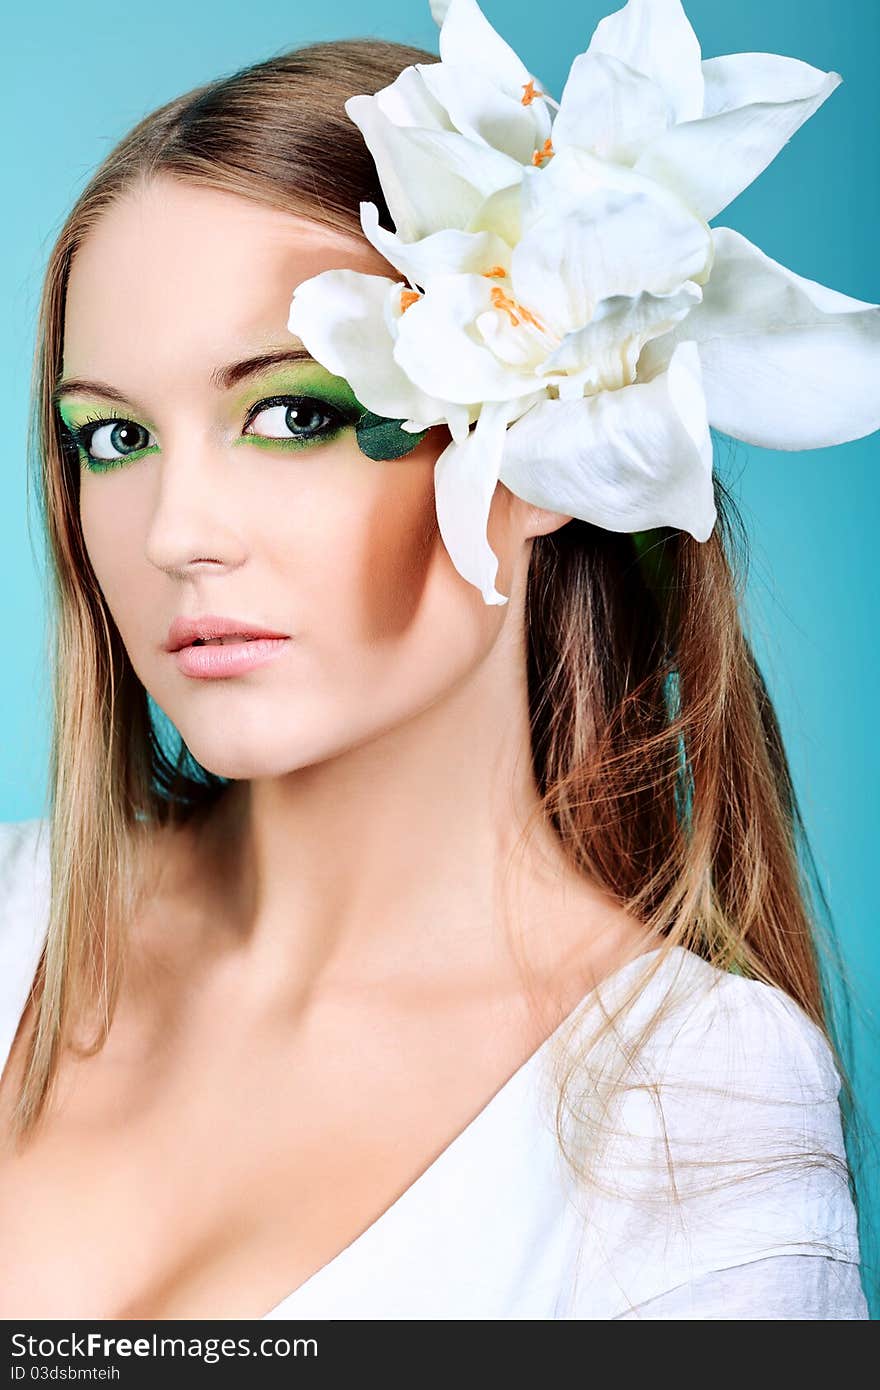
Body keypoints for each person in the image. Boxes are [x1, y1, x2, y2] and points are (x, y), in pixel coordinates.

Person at [0, 0, 875, 1320]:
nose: (175, 533)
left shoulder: (695, 1101)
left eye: (295, 412)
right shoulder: (15, 916)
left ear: (549, 446)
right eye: (112, 439)